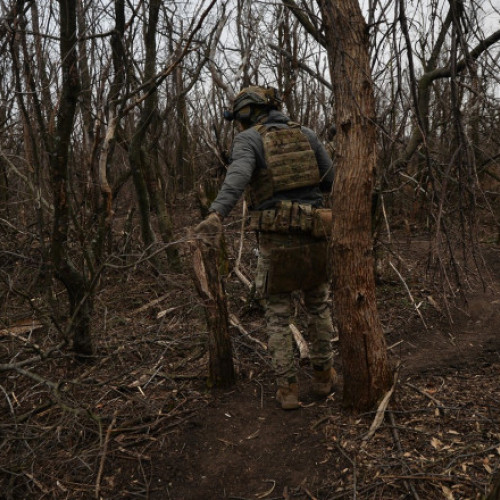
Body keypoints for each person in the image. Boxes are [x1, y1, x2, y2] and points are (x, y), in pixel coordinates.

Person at [194, 85, 337, 410]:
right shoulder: (308, 135)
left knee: (277, 315)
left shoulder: (248, 140)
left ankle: (287, 391)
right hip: (315, 235)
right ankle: (324, 377)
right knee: (318, 308)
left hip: (276, 240)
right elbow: (330, 180)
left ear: (247, 113)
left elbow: (238, 176)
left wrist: (217, 214)